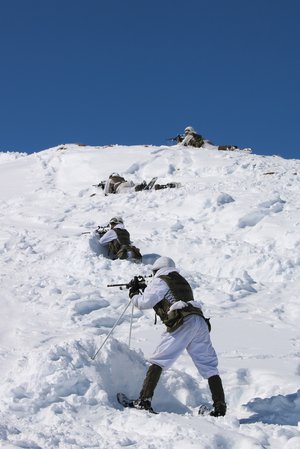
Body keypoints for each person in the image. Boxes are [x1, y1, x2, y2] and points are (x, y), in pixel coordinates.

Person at [127, 256, 226, 416]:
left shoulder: (161, 279)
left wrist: (133, 294)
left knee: (159, 359)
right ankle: (219, 407)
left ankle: (144, 401)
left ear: (157, 269)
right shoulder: (181, 280)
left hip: (183, 322)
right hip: (198, 321)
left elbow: (145, 302)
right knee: (208, 365)